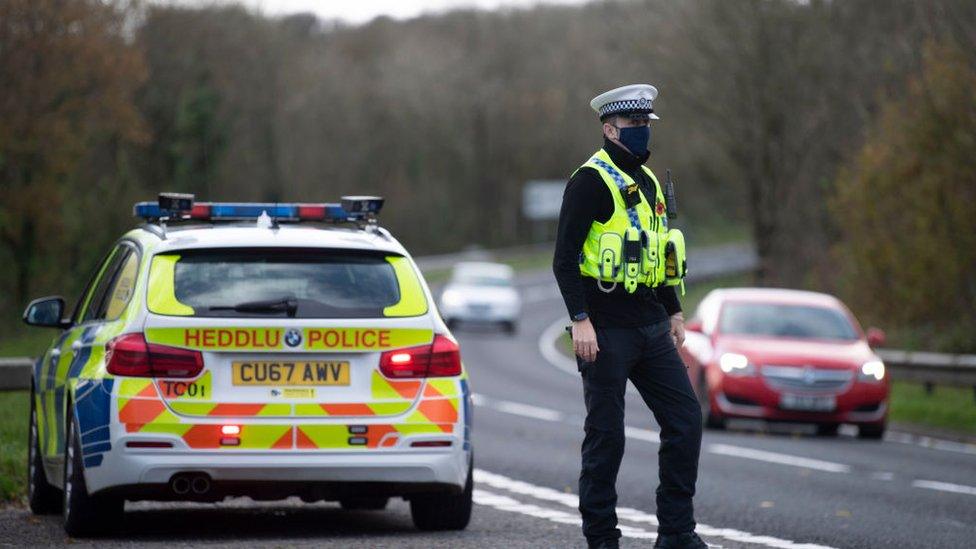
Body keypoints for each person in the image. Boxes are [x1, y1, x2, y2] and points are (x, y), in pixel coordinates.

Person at [552, 84, 705, 549]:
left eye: (645, 124)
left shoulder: (653, 181)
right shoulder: (589, 181)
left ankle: (676, 534)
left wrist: (674, 310)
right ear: (608, 128)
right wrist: (580, 319)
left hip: (651, 325)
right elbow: (564, 258)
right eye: (632, 125)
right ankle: (602, 539)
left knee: (685, 419)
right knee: (607, 438)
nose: (640, 131)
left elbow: (654, 252)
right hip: (604, 329)